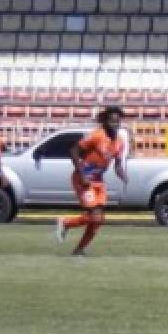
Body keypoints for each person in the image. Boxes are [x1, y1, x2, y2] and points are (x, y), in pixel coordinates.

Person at [54, 105, 128, 256]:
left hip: (99, 181)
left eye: (118, 122)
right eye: (112, 121)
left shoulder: (119, 141)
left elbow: (118, 164)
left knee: (98, 220)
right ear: (105, 122)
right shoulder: (96, 135)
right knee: (94, 216)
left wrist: (122, 174)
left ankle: (79, 249)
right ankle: (65, 223)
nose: (115, 124)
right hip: (83, 179)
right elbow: (74, 150)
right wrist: (81, 174)